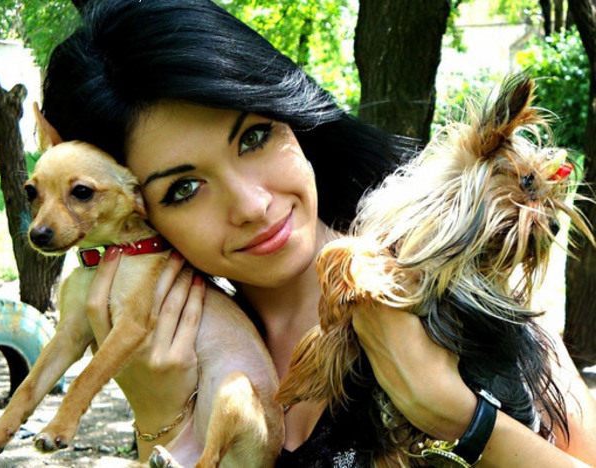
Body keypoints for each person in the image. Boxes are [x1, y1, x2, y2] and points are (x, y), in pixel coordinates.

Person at [40, 0, 596, 466]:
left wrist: (463, 419)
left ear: (292, 119)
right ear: (137, 215)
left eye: (255, 137)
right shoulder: (183, 365)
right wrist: (163, 420)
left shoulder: (467, 298)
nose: (253, 205)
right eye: (184, 189)